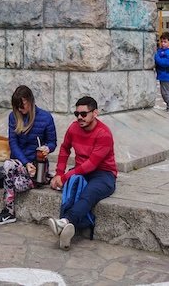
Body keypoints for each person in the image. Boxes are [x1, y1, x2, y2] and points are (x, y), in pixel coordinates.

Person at [47, 96, 117, 250]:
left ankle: (65, 222)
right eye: (76, 114)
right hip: (81, 171)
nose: (79, 117)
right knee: (70, 190)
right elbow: (65, 149)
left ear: (95, 113)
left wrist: (65, 176)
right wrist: (59, 174)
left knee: (88, 193)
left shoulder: (103, 134)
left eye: (84, 114)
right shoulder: (73, 128)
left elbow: (92, 164)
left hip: (104, 174)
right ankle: (66, 230)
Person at [0, 85, 57, 226]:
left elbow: (52, 142)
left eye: (23, 105)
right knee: (8, 164)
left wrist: (47, 148)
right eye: (17, 106)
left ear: (30, 101)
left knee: (16, 185)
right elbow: (13, 144)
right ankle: (8, 212)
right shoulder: (13, 117)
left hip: (38, 167)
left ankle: (43, 178)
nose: (20, 109)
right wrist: (26, 163)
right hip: (21, 164)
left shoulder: (46, 118)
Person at [154, 31, 169, 113]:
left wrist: (156, 57)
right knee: (166, 92)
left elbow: (166, 63)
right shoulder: (163, 50)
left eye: (165, 42)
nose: (163, 43)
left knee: (165, 93)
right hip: (163, 75)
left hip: (166, 75)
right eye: (161, 41)